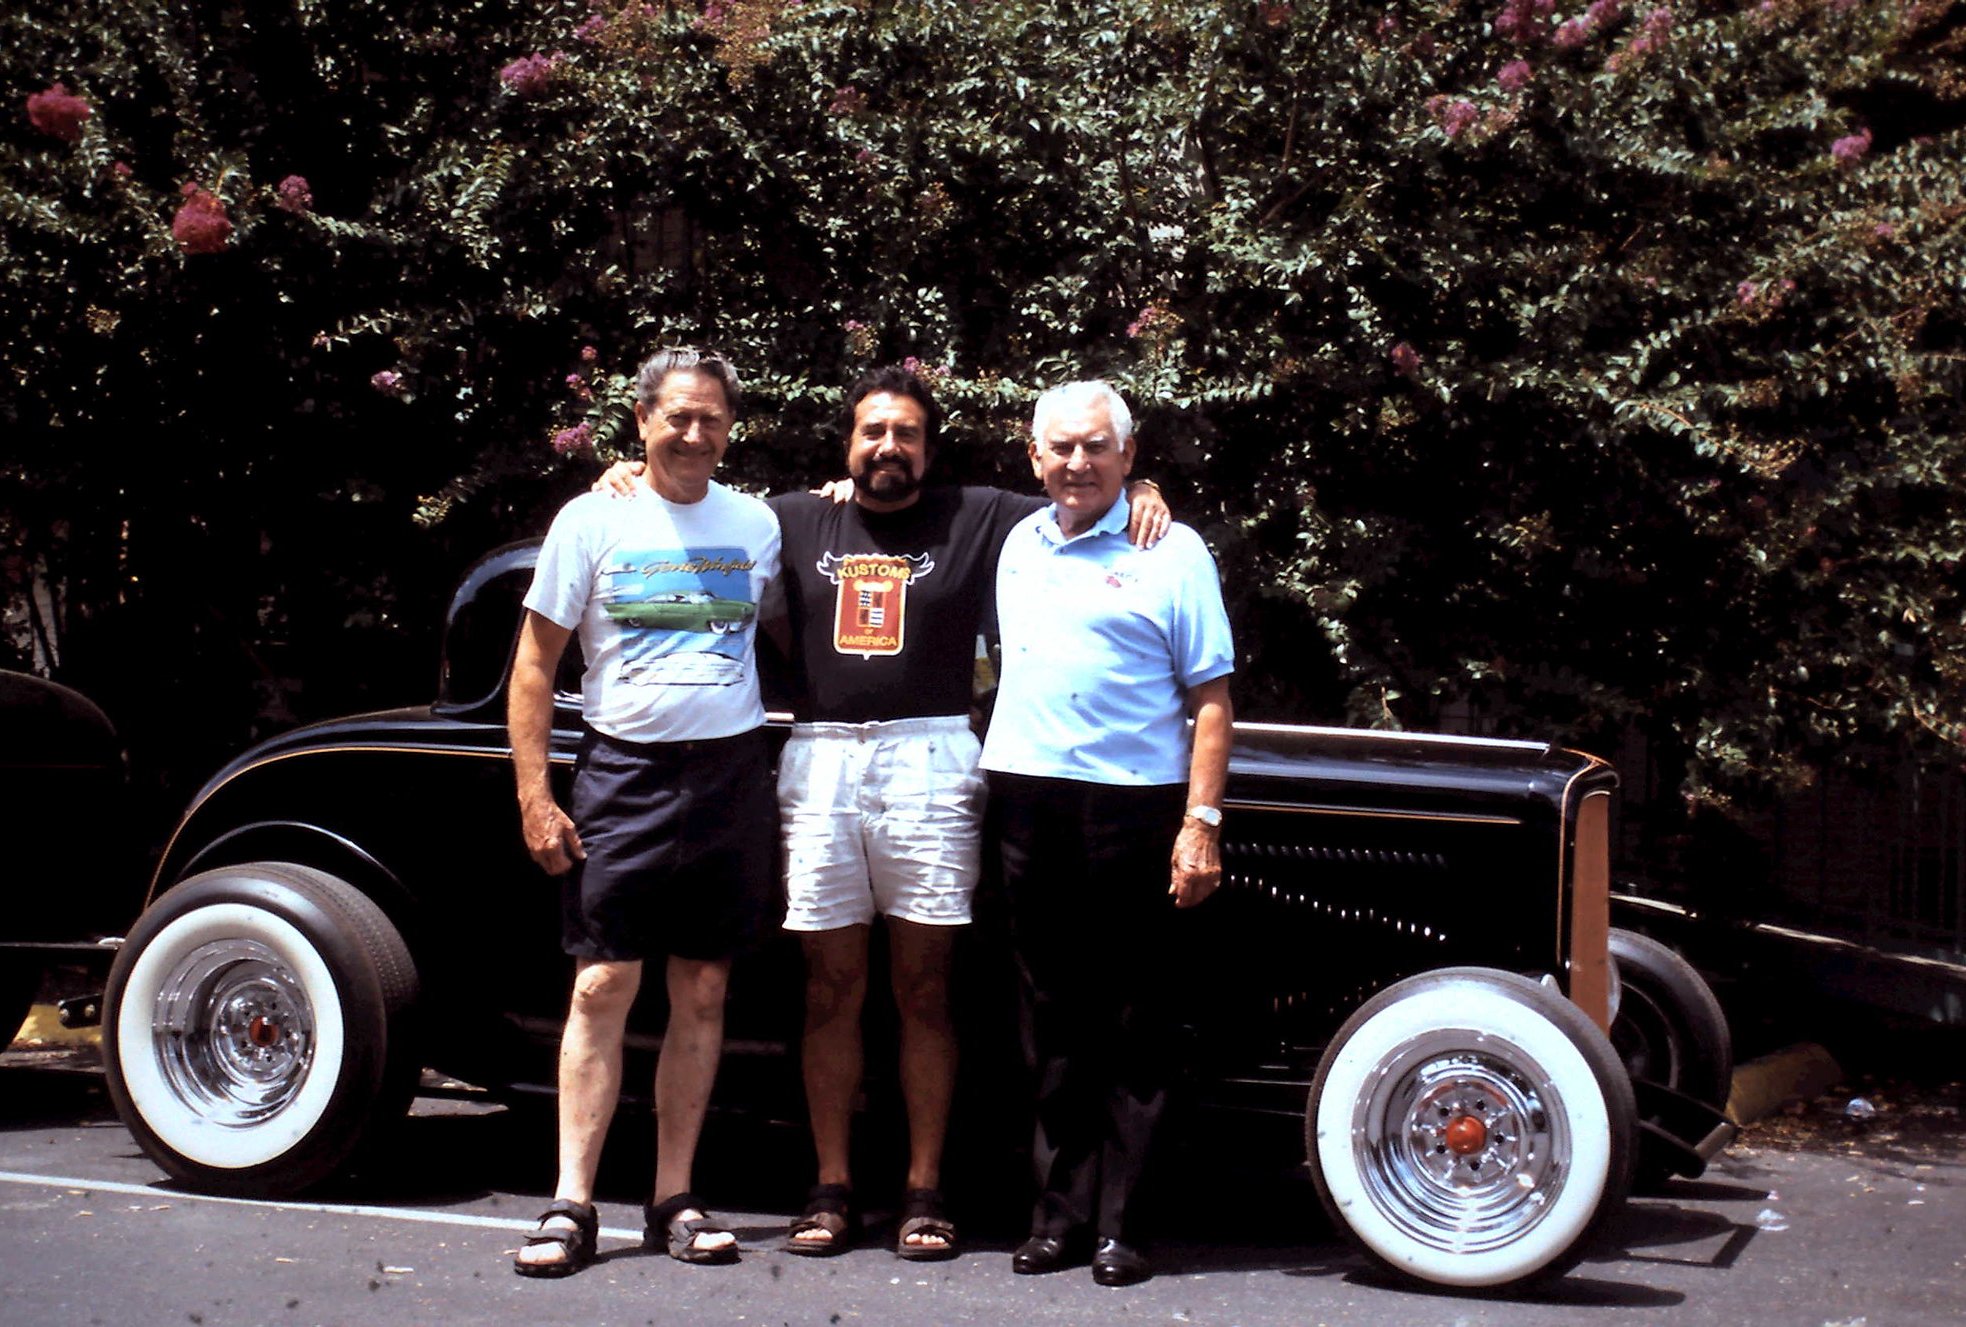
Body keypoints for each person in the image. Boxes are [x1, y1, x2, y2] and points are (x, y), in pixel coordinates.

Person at [596, 365, 1169, 1260]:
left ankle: (923, 1190)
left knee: (926, 989)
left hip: (930, 758)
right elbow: (690, 507)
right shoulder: (789, 519)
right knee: (829, 987)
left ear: (929, 448)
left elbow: (1078, 486)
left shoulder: (979, 516)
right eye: (873, 431)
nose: (889, 447)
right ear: (848, 443)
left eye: (906, 433)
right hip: (821, 757)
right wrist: (626, 475)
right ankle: (830, 1187)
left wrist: (1142, 486)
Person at [508, 347, 781, 1276]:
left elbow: (841, 528)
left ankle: (674, 1198)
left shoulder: (756, 522)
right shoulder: (591, 518)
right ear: (642, 420)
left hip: (729, 777)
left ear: (731, 428)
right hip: (621, 774)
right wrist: (535, 796)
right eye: (678, 417)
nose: (694, 434)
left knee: (702, 988)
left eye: (712, 419)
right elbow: (535, 663)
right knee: (600, 984)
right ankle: (571, 1203)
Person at [980, 379, 1235, 1287]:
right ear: (1033, 455)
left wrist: (1200, 823)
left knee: (1136, 1019)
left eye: (1097, 446)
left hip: (1132, 806)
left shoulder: (1173, 550)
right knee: (1051, 1017)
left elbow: (1212, 700)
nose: (1078, 461)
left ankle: (1124, 1226)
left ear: (1130, 455)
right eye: (1061, 446)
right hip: (1028, 801)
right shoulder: (1018, 541)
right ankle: (1057, 1216)